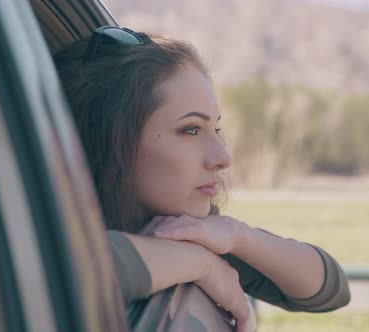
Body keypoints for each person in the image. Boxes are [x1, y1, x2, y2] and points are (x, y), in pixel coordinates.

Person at [54, 26, 350, 331]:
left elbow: (329, 291)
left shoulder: (177, 225)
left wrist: (237, 235)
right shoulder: (37, 225)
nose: (223, 158)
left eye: (216, 129)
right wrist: (200, 263)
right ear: (107, 142)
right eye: (191, 130)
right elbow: (55, 270)